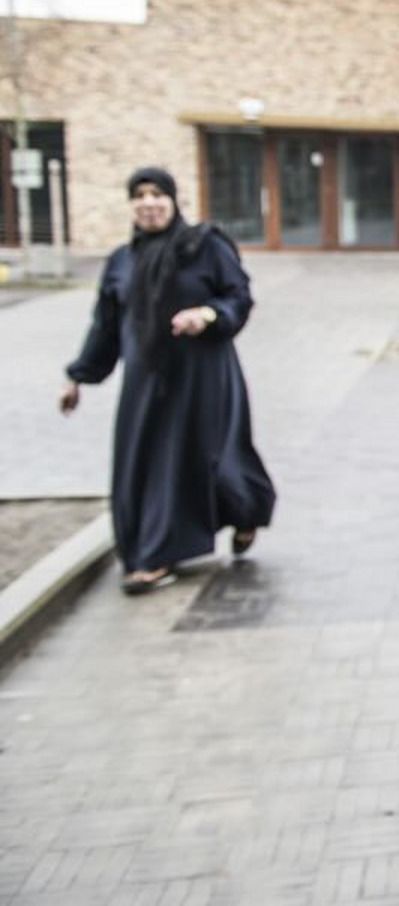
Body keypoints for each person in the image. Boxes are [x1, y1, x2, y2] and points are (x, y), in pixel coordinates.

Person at [60, 166, 276, 595]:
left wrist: (208, 315)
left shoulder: (206, 246)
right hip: (146, 381)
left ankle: (244, 511)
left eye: (157, 194)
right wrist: (77, 376)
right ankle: (152, 554)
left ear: (174, 200)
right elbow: (106, 326)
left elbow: (238, 296)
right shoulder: (123, 260)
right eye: (139, 195)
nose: (148, 202)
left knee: (213, 458)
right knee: (148, 463)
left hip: (203, 375)